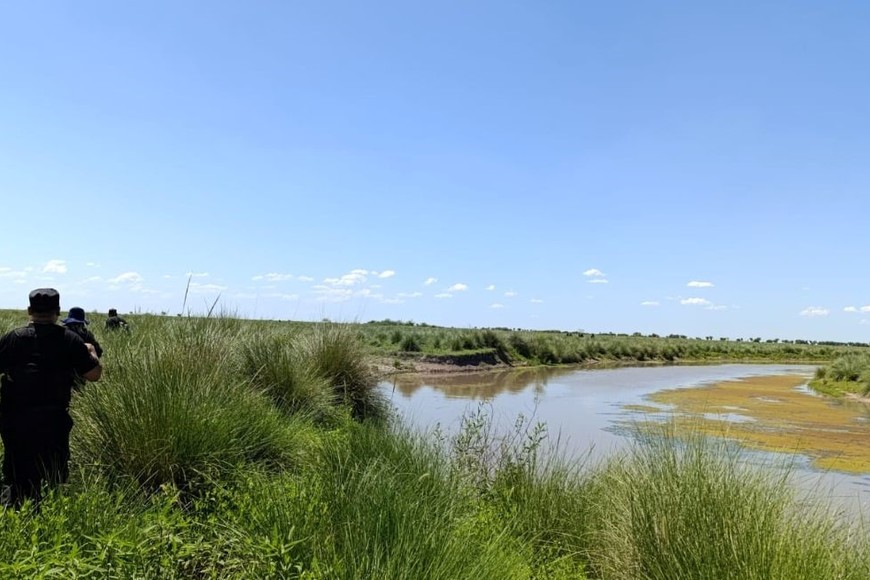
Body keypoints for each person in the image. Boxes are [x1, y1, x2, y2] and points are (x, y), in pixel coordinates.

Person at [0, 288, 102, 507]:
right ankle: (49, 513)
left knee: (15, 470)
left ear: (29, 310)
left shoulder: (12, 338)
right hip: (53, 419)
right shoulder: (70, 340)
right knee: (53, 473)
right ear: (57, 311)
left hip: (15, 418)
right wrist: (91, 351)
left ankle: (13, 511)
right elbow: (94, 375)